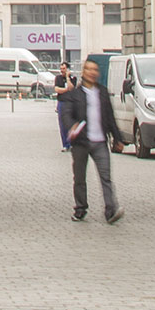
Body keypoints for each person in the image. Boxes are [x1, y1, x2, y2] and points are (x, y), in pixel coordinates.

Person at [57, 60, 127, 223]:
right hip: (81, 143)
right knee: (80, 178)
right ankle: (80, 208)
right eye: (88, 69)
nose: (92, 72)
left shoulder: (102, 92)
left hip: (100, 141)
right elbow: (66, 115)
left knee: (106, 177)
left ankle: (111, 210)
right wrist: (71, 127)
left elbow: (110, 117)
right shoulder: (75, 94)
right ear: (83, 72)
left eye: (95, 69)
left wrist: (117, 138)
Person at [53, 63, 77, 151]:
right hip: (62, 102)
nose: (62, 70)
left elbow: (71, 87)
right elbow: (57, 89)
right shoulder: (58, 78)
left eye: (64, 68)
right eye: (61, 68)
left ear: (68, 69)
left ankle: (72, 143)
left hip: (71, 103)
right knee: (62, 125)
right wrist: (66, 90)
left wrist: (67, 78)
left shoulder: (73, 78)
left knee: (71, 124)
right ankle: (65, 144)